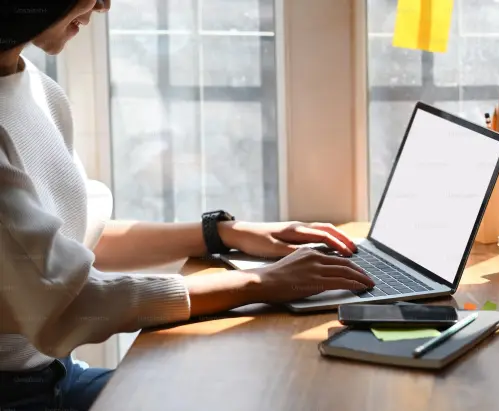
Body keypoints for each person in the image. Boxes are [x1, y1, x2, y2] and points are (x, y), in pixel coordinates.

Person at [0, 1, 375, 410]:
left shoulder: (31, 85)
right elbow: (73, 300)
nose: (105, 4)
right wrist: (262, 283)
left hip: (58, 374)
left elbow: (76, 241)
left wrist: (221, 232)